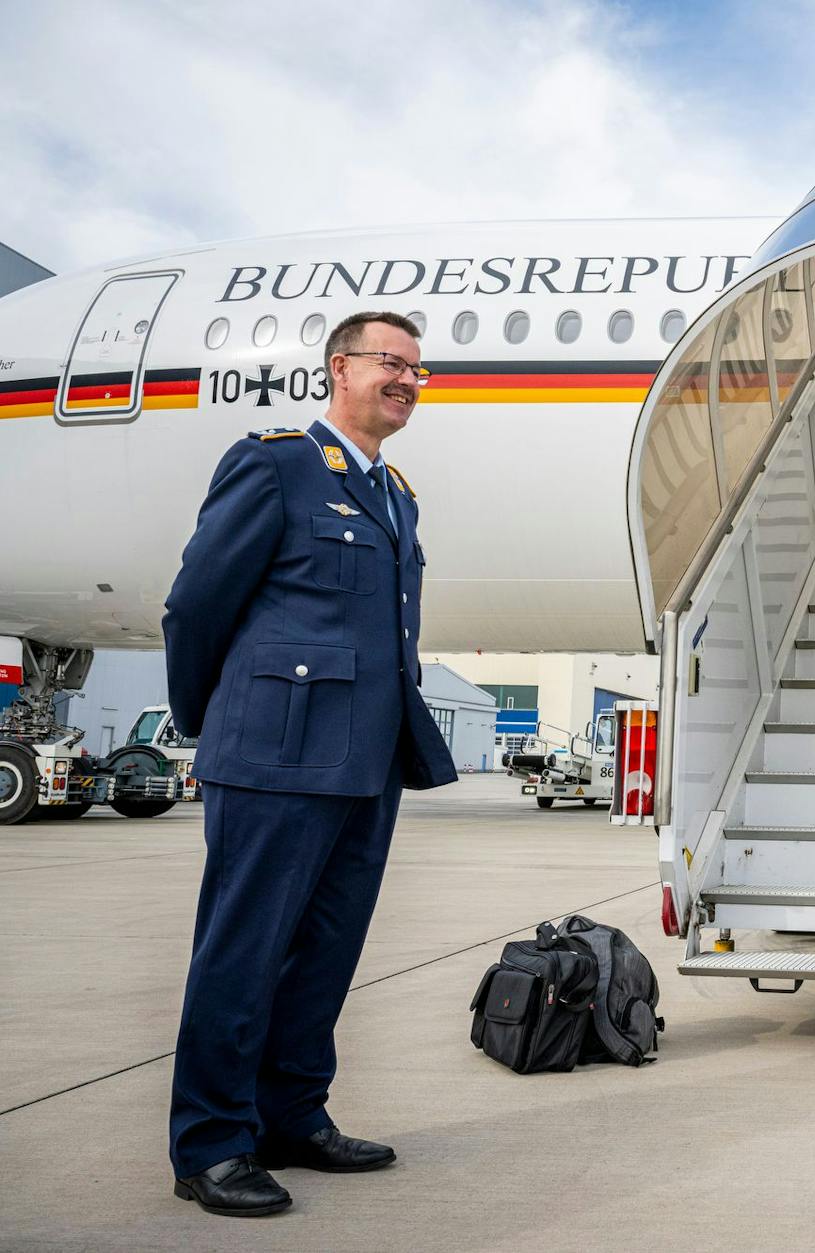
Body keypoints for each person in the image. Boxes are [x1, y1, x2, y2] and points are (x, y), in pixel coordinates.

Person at [162, 310, 457, 1218]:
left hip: (364, 763)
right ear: (340, 367)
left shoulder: (396, 493)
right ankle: (211, 1142)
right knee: (243, 954)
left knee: (327, 953)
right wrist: (218, 724)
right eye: (389, 362)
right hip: (276, 753)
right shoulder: (277, 462)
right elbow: (196, 607)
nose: (406, 379)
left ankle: (292, 1113)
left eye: (417, 368)